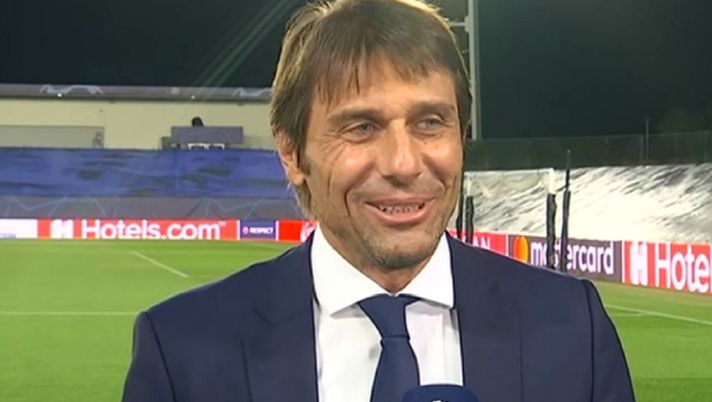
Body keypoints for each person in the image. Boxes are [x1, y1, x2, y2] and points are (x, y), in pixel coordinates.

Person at [122, 0, 635, 401]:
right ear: (292, 153)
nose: (404, 164)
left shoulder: (574, 328)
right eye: (362, 127)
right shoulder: (182, 351)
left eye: (430, 122)